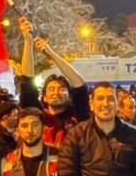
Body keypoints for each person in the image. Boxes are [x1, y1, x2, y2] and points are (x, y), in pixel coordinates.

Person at [16, 16, 90, 148]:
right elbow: (27, 82)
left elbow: (79, 84)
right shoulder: (38, 115)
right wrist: (28, 41)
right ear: (44, 96)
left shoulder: (77, 114)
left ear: (69, 94)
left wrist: (51, 53)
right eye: (51, 89)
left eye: (62, 88)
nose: (56, 92)